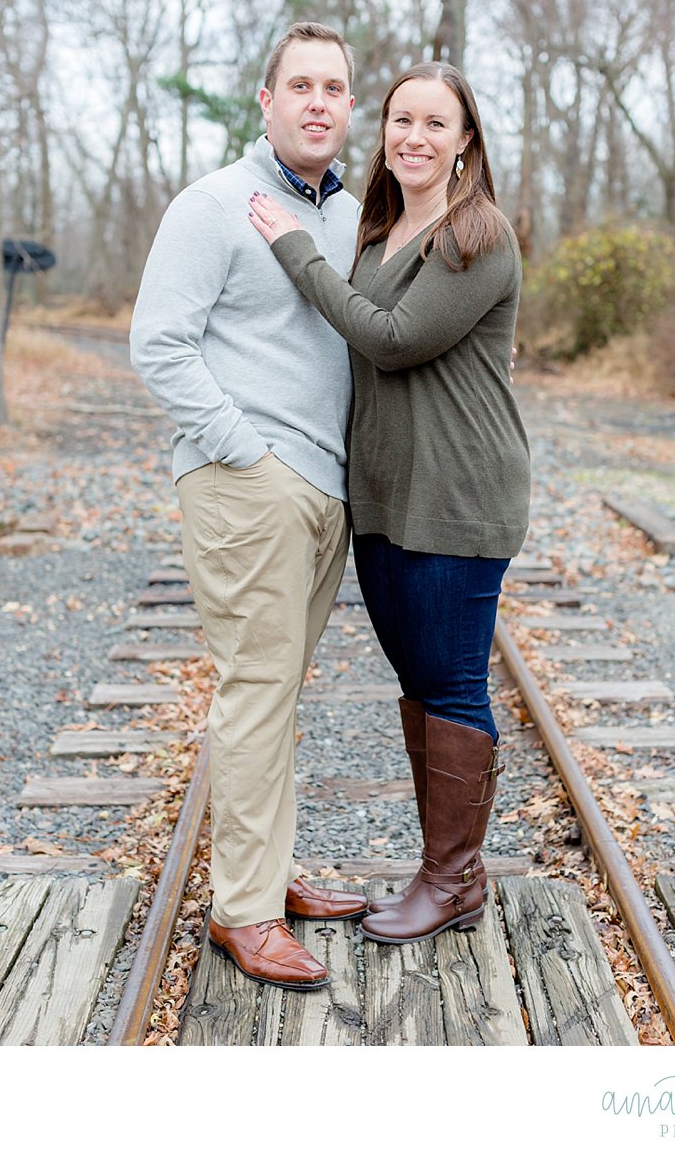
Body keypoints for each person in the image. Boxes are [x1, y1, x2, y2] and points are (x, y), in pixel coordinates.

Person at [246, 61, 530, 945]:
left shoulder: (477, 235)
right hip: (385, 494)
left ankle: (452, 880)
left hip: (458, 493)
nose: (413, 136)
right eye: (401, 118)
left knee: (450, 682)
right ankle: (447, 872)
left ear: (465, 143)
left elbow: (393, 339)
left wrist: (292, 247)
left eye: (435, 124)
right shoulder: (376, 229)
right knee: (418, 681)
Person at [130, 21, 370, 992]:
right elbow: (159, 345)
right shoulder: (215, 206)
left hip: (325, 490)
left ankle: (265, 872)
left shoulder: (353, 216)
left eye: (335, 88)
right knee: (257, 689)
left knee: (278, 690)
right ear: (264, 102)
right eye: (299, 85)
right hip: (247, 484)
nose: (318, 101)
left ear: (350, 109)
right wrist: (246, 451)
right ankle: (243, 911)